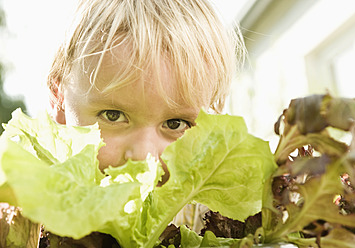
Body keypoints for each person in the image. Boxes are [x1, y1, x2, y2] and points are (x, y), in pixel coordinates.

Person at [48, 0, 245, 235]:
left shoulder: (216, 221)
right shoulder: (27, 219)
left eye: (175, 124)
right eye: (113, 115)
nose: (144, 157)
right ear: (58, 101)